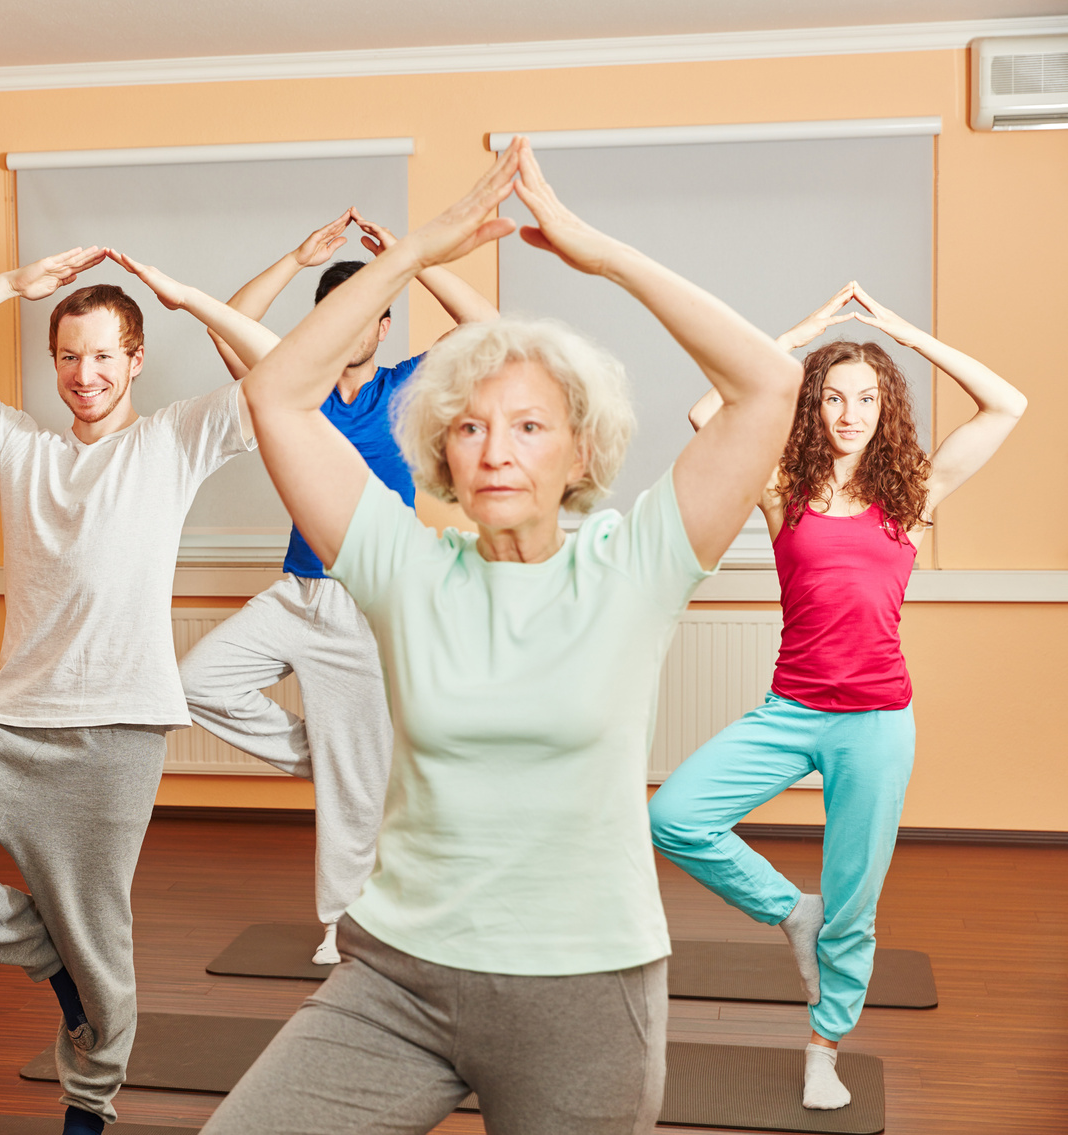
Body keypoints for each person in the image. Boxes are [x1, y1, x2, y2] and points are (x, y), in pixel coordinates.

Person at [202, 136, 803, 1135]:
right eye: (471, 426)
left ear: (580, 450)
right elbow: (275, 393)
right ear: (441, 446)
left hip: (583, 986)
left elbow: (767, 386)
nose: (494, 449)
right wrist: (415, 255)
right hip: (393, 976)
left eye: (528, 426)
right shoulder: (403, 568)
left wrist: (599, 254)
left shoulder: (634, 564)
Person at [0, 248, 277, 1134]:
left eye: (102, 356)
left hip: (119, 730)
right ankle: (52, 958)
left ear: (134, 360)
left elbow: (283, 375)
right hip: (9, 724)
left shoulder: (172, 439)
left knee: (107, 941)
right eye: (67, 356)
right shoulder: (17, 447)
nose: (83, 375)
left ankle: (89, 1106)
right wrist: (6, 288)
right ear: (52, 363)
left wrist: (190, 296)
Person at [649, 281, 1026, 1110]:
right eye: (831, 395)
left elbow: (1007, 403)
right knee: (674, 815)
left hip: (878, 723)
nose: (848, 413)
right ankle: (791, 911)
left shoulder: (911, 494)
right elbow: (708, 409)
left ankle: (823, 1047)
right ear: (810, 404)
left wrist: (899, 332)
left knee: (855, 907)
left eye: (864, 397)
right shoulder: (782, 486)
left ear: (884, 405)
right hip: (792, 711)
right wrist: (809, 331)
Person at [180, 209, 499, 965]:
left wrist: (413, 259)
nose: (350, 326)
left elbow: (493, 328)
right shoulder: (292, 386)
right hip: (297, 590)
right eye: (335, 314)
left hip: (368, 597)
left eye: (365, 313)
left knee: (356, 789)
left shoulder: (408, 387)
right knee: (194, 681)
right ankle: (345, 753)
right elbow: (226, 326)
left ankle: (345, 920)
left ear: (383, 324)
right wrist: (294, 259)